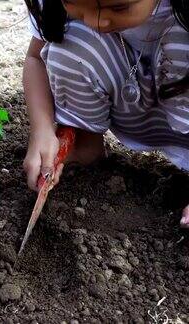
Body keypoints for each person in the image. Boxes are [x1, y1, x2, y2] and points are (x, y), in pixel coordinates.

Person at [22, 0, 189, 227]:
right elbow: (35, 58)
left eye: (120, 8)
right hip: (134, 110)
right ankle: (85, 146)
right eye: (73, 2)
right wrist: (41, 129)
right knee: (71, 43)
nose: (96, 21)